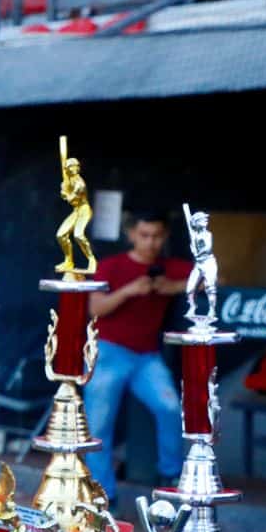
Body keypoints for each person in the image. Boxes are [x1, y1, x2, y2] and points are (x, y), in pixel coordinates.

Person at [82, 207, 192, 495]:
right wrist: (129, 291)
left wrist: (172, 286)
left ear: (165, 236)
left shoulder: (171, 267)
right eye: (144, 235)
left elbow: (214, 278)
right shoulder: (111, 265)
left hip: (147, 357)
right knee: (98, 428)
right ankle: (103, 494)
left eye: (156, 236)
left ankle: (171, 477)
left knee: (170, 408)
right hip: (107, 352)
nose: (150, 242)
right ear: (131, 234)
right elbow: (96, 308)